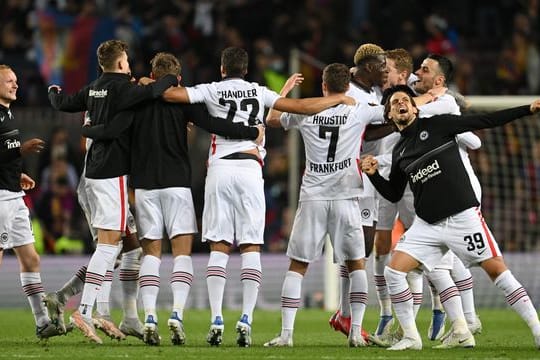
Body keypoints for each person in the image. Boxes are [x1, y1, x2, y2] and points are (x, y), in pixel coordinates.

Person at [161, 46, 354, 347]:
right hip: (251, 169)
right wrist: (337, 98)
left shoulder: (212, 89)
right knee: (251, 246)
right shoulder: (258, 91)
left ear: (223, 69)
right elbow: (301, 109)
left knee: (219, 246)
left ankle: (216, 318)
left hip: (221, 169)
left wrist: (153, 84)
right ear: (246, 70)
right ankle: (247, 318)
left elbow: (173, 95)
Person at [85, 51, 265, 346]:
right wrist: (250, 131)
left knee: (152, 254)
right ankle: (177, 314)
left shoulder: (137, 99)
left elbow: (118, 132)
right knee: (182, 253)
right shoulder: (183, 103)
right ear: (177, 79)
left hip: (144, 184)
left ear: (152, 76)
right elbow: (214, 125)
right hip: (177, 183)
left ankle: (151, 316)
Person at [361, 84, 540, 350]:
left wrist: (528, 109)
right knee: (393, 272)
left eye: (405, 100)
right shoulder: (399, 153)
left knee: (497, 272)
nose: (401, 103)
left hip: (462, 217)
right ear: (389, 115)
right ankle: (411, 337)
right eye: (395, 102)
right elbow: (393, 194)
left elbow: (486, 120)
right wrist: (374, 175)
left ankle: (537, 330)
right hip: (427, 225)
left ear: (413, 107)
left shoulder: (438, 125)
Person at [47, 39, 178, 344]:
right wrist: (170, 78)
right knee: (109, 247)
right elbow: (153, 92)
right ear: (121, 63)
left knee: (130, 248)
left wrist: (53, 91)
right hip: (110, 176)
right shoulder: (123, 88)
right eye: (128, 61)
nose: (130, 65)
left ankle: (129, 317)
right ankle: (86, 309)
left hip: (93, 174)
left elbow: (63, 103)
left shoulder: (94, 88)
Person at [262, 63, 384, 348]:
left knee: (298, 266)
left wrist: (285, 91)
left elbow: (272, 118)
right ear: (347, 86)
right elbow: (387, 116)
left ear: (324, 86)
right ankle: (355, 333)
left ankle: (287, 335)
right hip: (346, 198)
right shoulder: (360, 108)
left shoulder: (306, 112)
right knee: (356, 266)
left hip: (313, 198)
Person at [328, 42, 388, 337]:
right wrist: (400, 122)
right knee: (357, 247)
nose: (385, 70)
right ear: (367, 67)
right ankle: (345, 313)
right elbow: (366, 131)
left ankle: (344, 313)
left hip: (370, 173)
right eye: (381, 66)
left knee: (362, 247)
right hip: (353, 173)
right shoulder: (348, 94)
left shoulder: (374, 91)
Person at [0, 64, 63, 340]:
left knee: (31, 258)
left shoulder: (7, 114)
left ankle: (41, 322)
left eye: (15, 80)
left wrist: (17, 173)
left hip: (13, 195)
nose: (15, 85)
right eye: (9, 81)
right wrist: (20, 149)